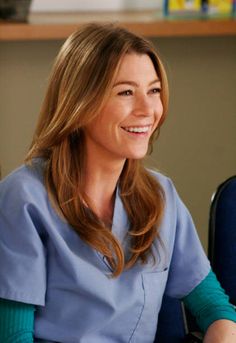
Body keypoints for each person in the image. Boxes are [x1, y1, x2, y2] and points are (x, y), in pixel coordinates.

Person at [0, 23, 235, 343]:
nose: (148, 110)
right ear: (79, 103)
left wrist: (223, 332)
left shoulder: (160, 195)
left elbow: (215, 309)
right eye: (126, 92)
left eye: (153, 91)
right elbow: (14, 337)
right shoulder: (24, 198)